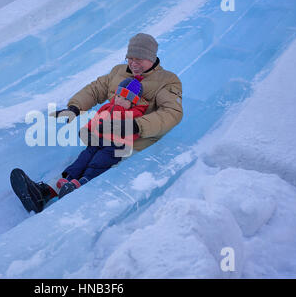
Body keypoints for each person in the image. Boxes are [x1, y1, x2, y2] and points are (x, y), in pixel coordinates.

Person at [20, 33, 183, 212]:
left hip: (133, 141)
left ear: (151, 58)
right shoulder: (118, 72)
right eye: (130, 58)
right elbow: (96, 89)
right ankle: (46, 192)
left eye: (140, 59)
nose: (134, 64)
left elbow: (171, 113)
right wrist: (75, 107)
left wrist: (136, 125)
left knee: (101, 163)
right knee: (84, 158)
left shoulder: (167, 81)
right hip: (106, 134)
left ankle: (79, 191)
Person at [56, 77, 149, 197]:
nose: (120, 100)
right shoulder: (106, 107)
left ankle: (85, 180)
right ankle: (69, 178)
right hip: (97, 140)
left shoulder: (134, 114)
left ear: (133, 103)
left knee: (99, 161)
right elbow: (95, 120)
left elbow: (134, 131)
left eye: (125, 99)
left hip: (115, 146)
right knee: (84, 157)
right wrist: (87, 130)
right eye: (118, 96)